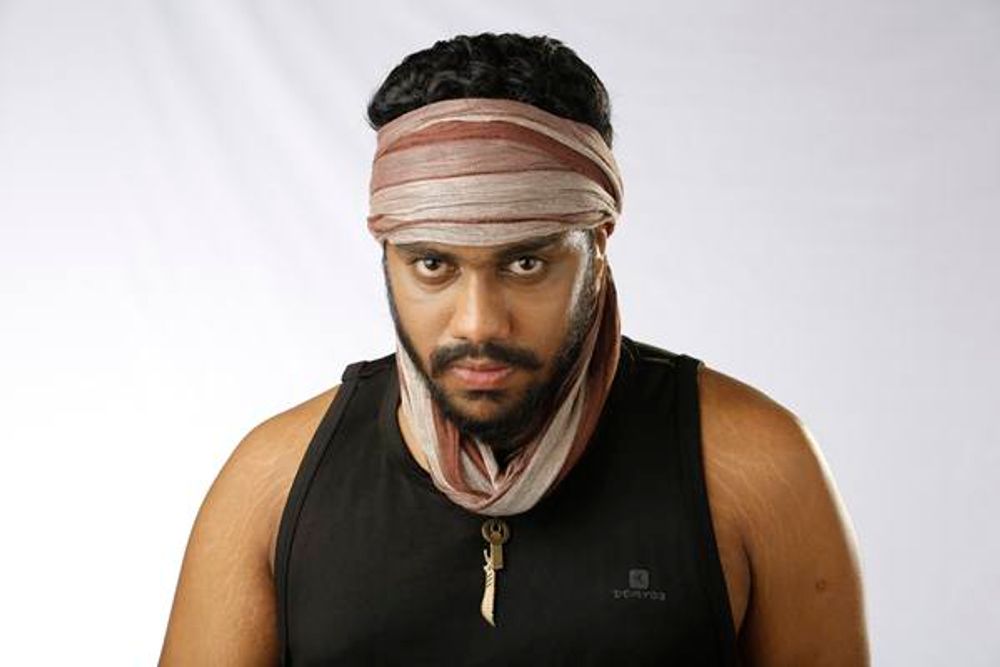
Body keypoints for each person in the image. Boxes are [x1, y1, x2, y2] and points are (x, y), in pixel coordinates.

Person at [159, 32, 869, 666]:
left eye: (525, 263)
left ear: (597, 244)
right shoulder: (274, 482)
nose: (477, 323)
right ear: (388, 254)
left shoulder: (754, 469)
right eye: (433, 264)